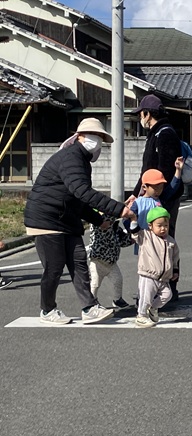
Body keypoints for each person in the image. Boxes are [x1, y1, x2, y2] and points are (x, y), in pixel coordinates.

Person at [23, 118, 135, 325]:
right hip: (45, 219)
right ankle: (47, 310)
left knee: (79, 262)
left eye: (101, 137)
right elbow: (83, 192)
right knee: (54, 267)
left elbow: (78, 199)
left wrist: (99, 220)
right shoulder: (71, 156)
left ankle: (89, 307)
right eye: (94, 135)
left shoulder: (81, 160)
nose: (97, 140)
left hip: (66, 219)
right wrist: (119, 209)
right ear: (80, 136)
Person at [129, 94, 184, 300]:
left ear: (147, 113)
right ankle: (152, 287)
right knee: (151, 243)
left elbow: (163, 172)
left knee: (164, 242)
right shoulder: (156, 133)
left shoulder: (165, 134)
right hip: (154, 196)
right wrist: (135, 195)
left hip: (163, 199)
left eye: (141, 114)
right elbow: (147, 173)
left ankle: (166, 287)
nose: (140, 118)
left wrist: (158, 198)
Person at [130, 207, 180, 328]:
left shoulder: (171, 241)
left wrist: (175, 270)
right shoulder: (146, 236)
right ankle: (141, 316)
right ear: (150, 226)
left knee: (167, 295)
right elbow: (135, 232)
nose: (163, 228)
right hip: (148, 275)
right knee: (146, 297)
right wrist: (133, 220)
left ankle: (153, 308)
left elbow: (175, 257)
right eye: (159, 225)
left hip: (164, 277)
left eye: (166, 225)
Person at [88, 212, 133, 309]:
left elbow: (122, 241)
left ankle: (117, 299)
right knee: (95, 283)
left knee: (118, 280)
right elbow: (102, 223)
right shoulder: (97, 226)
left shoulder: (116, 228)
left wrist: (131, 239)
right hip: (97, 261)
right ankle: (92, 301)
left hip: (111, 263)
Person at [128, 158, 183, 233]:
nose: (159, 191)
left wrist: (178, 170)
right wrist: (133, 231)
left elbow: (173, 187)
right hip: (142, 237)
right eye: (156, 188)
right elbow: (129, 218)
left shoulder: (161, 198)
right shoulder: (138, 203)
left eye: (161, 188)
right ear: (144, 187)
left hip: (159, 236)